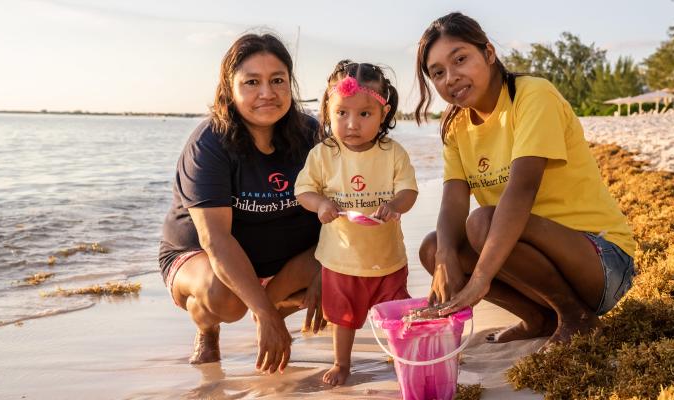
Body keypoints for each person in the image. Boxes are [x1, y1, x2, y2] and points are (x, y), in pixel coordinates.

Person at [414, 13, 636, 350]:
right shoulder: (456, 127)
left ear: (488, 53)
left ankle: (577, 317)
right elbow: (453, 202)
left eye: (461, 59)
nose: (451, 77)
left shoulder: (532, 95)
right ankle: (538, 319)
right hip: (543, 264)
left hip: (601, 262)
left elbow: (521, 191)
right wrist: (444, 258)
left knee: (483, 222)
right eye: (438, 72)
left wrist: (480, 280)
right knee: (434, 247)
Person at [158, 33, 325, 372]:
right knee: (227, 299)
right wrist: (262, 313)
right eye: (252, 82)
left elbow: (339, 208)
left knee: (344, 269)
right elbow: (216, 240)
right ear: (229, 88)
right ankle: (207, 328)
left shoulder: (310, 134)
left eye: (277, 80)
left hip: (283, 261)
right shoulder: (210, 143)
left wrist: (327, 268)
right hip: (202, 257)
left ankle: (272, 307)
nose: (267, 93)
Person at [295, 60, 418, 385]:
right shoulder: (323, 154)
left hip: (387, 259)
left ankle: (399, 352)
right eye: (342, 113)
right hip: (340, 261)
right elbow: (303, 191)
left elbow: (408, 190)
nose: (352, 123)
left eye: (364, 114)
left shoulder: (392, 152)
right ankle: (342, 363)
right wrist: (320, 203)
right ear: (327, 110)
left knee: (397, 314)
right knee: (343, 317)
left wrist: (394, 205)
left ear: (384, 113)